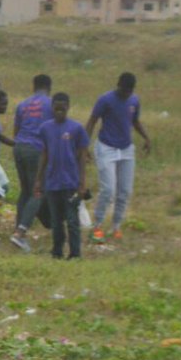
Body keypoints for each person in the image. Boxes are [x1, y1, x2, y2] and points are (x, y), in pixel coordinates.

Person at [84, 72, 151, 243]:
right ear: (118, 85)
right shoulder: (105, 99)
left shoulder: (134, 101)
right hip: (106, 147)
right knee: (108, 190)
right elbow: (92, 121)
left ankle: (116, 226)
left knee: (125, 191)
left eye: (129, 91)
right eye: (123, 90)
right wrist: (84, 146)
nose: (126, 93)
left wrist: (146, 137)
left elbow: (135, 121)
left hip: (126, 149)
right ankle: (97, 226)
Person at [35, 93, 91, 260]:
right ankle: (57, 251)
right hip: (52, 182)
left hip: (71, 182)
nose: (59, 112)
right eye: (56, 108)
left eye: (63, 108)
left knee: (72, 220)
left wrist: (82, 182)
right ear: (52, 108)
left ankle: (75, 253)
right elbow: (44, 154)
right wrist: (39, 179)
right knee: (56, 221)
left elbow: (82, 156)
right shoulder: (45, 128)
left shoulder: (76, 128)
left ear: (68, 107)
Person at [9, 75, 53, 251]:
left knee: (25, 191)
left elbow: (16, 131)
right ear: (49, 87)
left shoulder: (22, 104)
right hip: (37, 150)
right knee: (38, 191)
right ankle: (20, 233)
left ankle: (17, 230)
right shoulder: (51, 104)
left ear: (33, 87)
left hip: (19, 148)